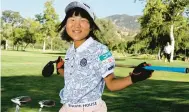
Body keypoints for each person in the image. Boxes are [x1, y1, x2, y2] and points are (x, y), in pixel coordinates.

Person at [56, 1, 154, 112]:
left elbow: (111, 84)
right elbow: (74, 77)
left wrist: (134, 78)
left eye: (83, 20)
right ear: (66, 24)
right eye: (72, 20)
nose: (76, 25)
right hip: (67, 107)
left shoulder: (101, 51)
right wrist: (60, 69)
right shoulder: (70, 50)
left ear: (91, 26)